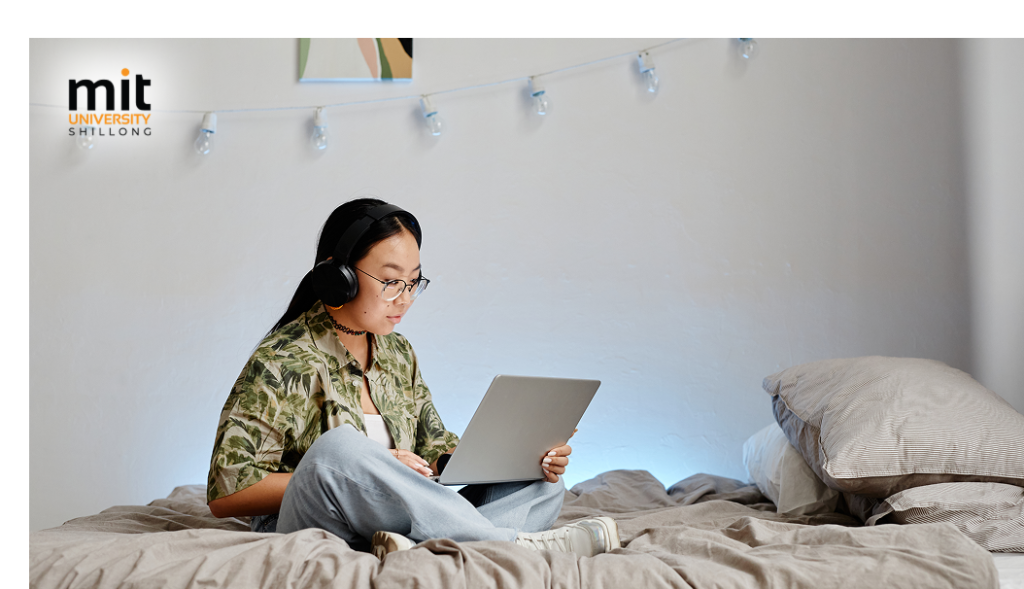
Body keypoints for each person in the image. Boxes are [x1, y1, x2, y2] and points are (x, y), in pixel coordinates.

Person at [206, 198, 619, 560]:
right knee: (338, 449)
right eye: (389, 282)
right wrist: (364, 470)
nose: (404, 297)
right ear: (341, 277)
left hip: (389, 528)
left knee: (541, 484)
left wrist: (517, 452)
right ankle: (509, 544)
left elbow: (432, 447)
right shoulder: (282, 358)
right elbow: (228, 493)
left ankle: (420, 549)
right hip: (317, 525)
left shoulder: (398, 352)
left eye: (413, 281)